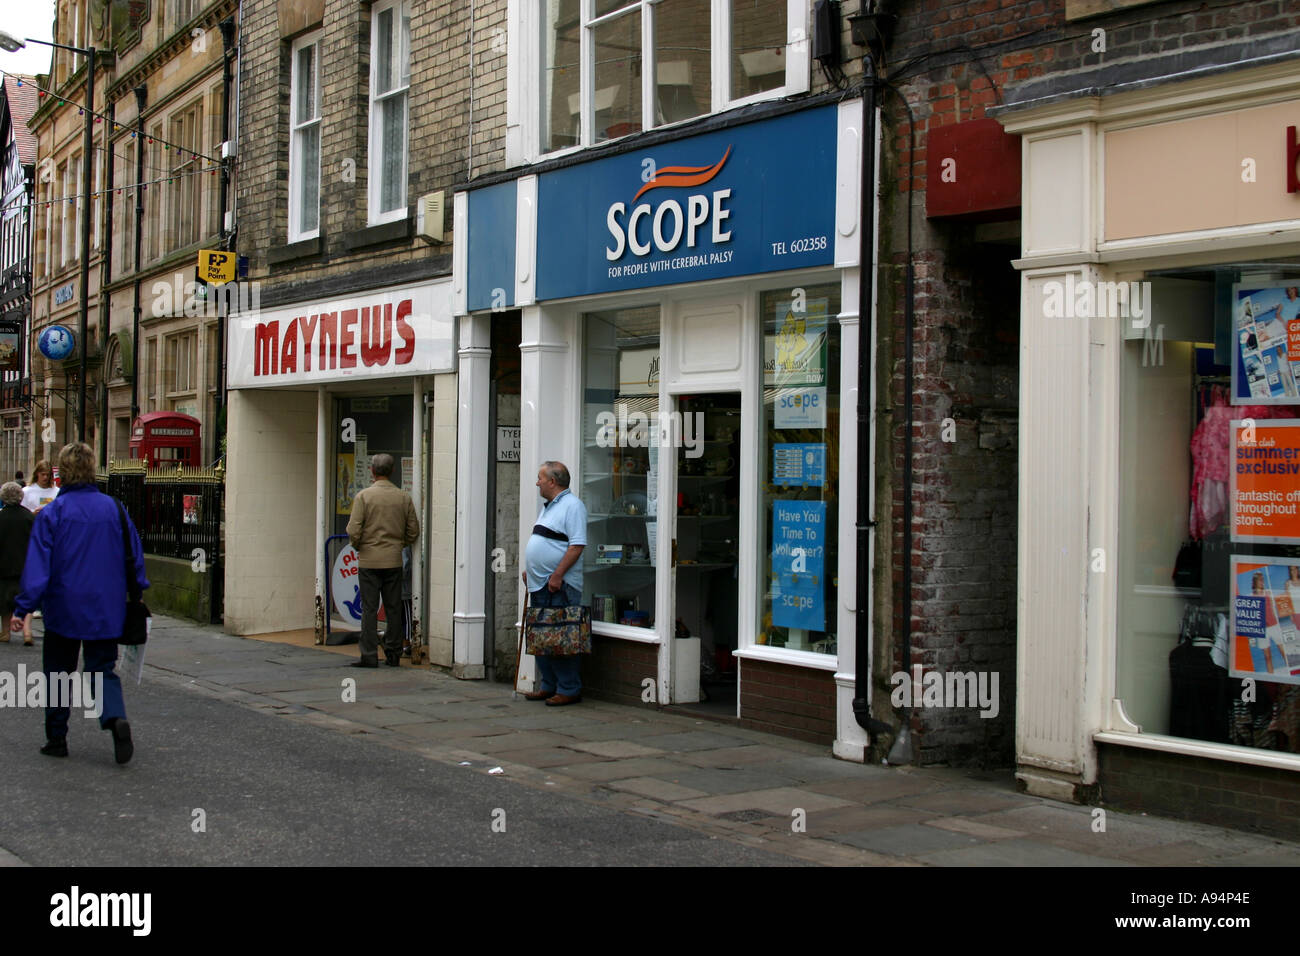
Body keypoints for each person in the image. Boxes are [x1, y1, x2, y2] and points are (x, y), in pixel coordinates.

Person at [14, 442, 148, 763]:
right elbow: (134, 556)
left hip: (63, 605)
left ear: (63, 473)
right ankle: (114, 717)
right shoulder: (115, 508)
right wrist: (137, 591)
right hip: (107, 605)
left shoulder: (53, 513)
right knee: (102, 667)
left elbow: (38, 567)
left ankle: (57, 738)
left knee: (59, 671)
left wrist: (23, 608)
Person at [521, 461, 587, 705]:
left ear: (552, 481)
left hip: (559, 585)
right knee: (541, 637)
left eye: (540, 478)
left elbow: (577, 545)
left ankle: (568, 689)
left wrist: (558, 575)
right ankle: (548, 685)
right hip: (540, 584)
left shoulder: (573, 506)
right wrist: (531, 569)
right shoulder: (548, 507)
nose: (537, 482)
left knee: (561, 637)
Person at [346, 453, 420, 668]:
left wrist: (360, 546)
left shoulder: (364, 497)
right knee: (393, 608)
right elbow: (413, 531)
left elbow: (353, 529)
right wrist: (398, 544)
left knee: (369, 609)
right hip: (393, 560)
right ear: (392, 471)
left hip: (369, 561)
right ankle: (393, 653)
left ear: (372, 471)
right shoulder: (403, 497)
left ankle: (369, 655)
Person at [0, 481, 35, 645]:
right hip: (25, 565)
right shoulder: (28, 516)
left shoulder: (1, 516)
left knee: (4, 601)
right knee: (26, 598)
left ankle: (5, 632)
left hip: (4, 565)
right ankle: (27, 632)